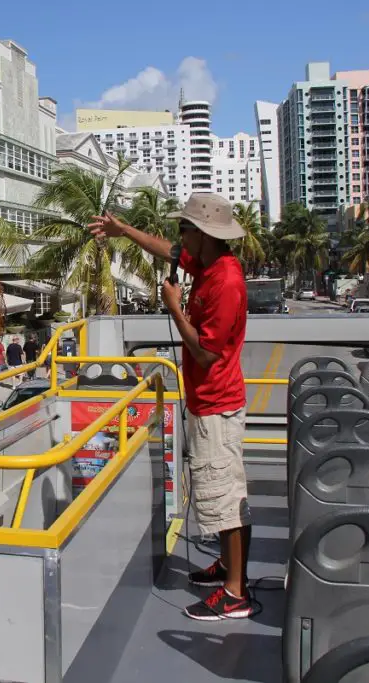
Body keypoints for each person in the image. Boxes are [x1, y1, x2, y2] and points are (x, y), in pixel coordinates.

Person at [89, 192, 254, 621]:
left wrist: (175, 310)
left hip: (217, 404)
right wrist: (123, 230)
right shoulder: (209, 263)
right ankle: (227, 568)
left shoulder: (226, 282)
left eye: (184, 229)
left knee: (226, 494)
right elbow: (169, 250)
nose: (178, 239)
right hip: (206, 402)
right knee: (216, 492)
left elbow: (206, 354)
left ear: (202, 234)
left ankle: (236, 593)